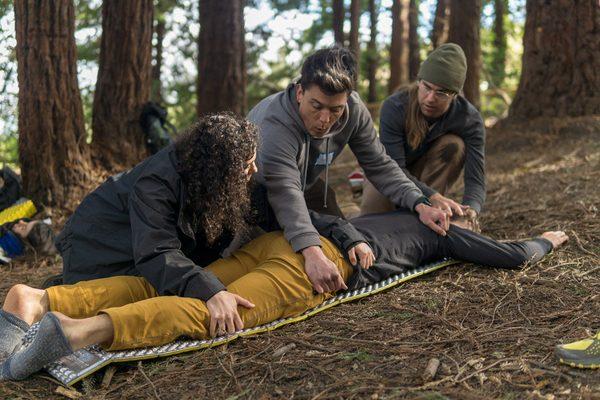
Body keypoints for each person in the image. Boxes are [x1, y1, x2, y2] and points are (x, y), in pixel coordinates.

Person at [0, 208, 567, 380]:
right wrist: (548, 236)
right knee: (215, 309)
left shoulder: (391, 208)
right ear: (436, 207)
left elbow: (316, 210)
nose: (450, 213)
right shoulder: (439, 227)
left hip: (284, 239)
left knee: (176, 278)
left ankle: (43, 299)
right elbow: (510, 254)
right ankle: (77, 331)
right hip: (316, 265)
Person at [248, 46, 447, 295]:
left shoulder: (353, 109)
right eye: (316, 106)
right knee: (267, 255)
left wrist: (420, 203)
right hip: (254, 197)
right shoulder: (275, 126)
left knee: (343, 245)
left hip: (305, 185)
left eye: (335, 110)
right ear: (300, 92)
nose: (324, 119)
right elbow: (284, 193)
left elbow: (379, 163)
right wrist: (311, 251)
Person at [52, 112, 261, 336]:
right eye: (247, 165)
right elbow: (155, 251)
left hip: (128, 240)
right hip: (95, 246)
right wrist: (209, 291)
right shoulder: (156, 184)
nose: (254, 169)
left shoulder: (202, 175)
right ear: (222, 169)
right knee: (133, 294)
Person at [360, 43, 485, 232]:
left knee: (454, 146)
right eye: (427, 87)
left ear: (454, 94)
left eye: (441, 92)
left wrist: (471, 214)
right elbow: (393, 168)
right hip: (389, 173)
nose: (430, 98)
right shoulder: (394, 107)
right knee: (372, 228)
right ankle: (352, 206)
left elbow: (476, 178)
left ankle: (421, 222)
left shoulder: (469, 118)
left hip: (426, 174)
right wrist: (432, 196)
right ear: (419, 81)